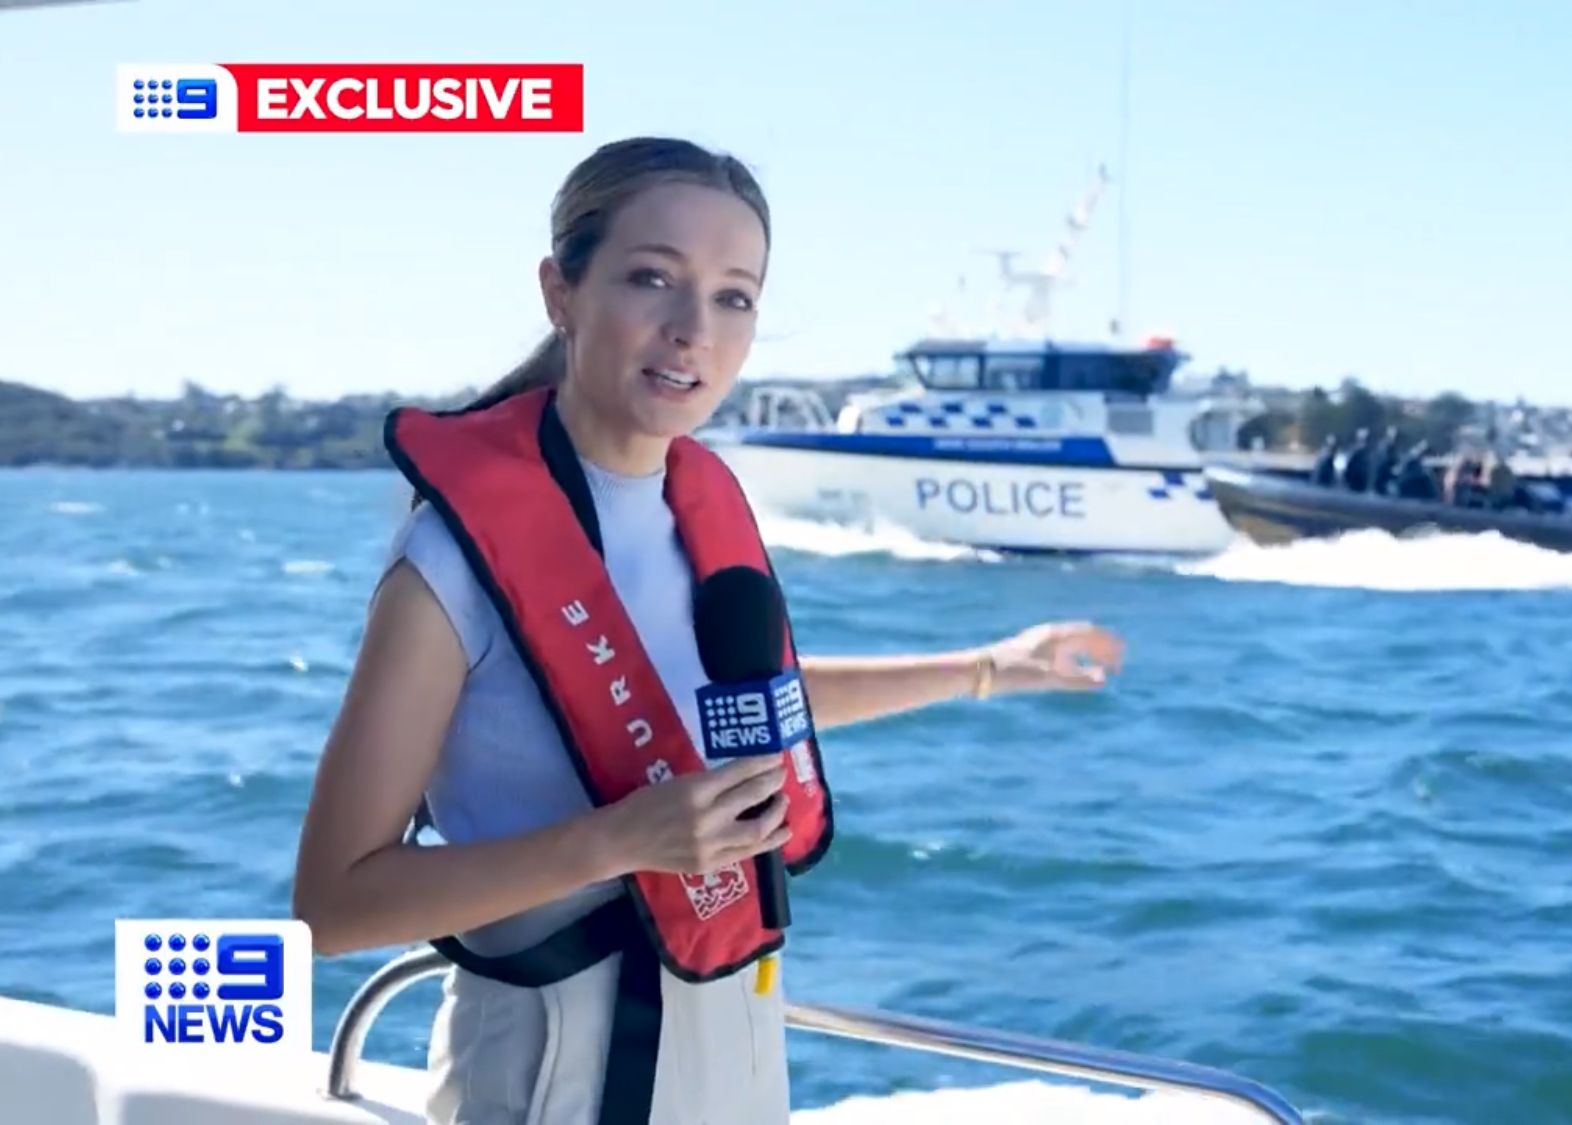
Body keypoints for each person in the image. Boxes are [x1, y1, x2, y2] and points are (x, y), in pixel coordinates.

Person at [290, 136, 1125, 1125]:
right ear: (561, 292)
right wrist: (614, 841)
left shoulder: (696, 510)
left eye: (734, 297)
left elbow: (731, 704)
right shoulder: (449, 563)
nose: (694, 330)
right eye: (652, 279)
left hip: (736, 1042)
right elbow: (333, 904)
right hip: (551, 1069)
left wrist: (989, 666)